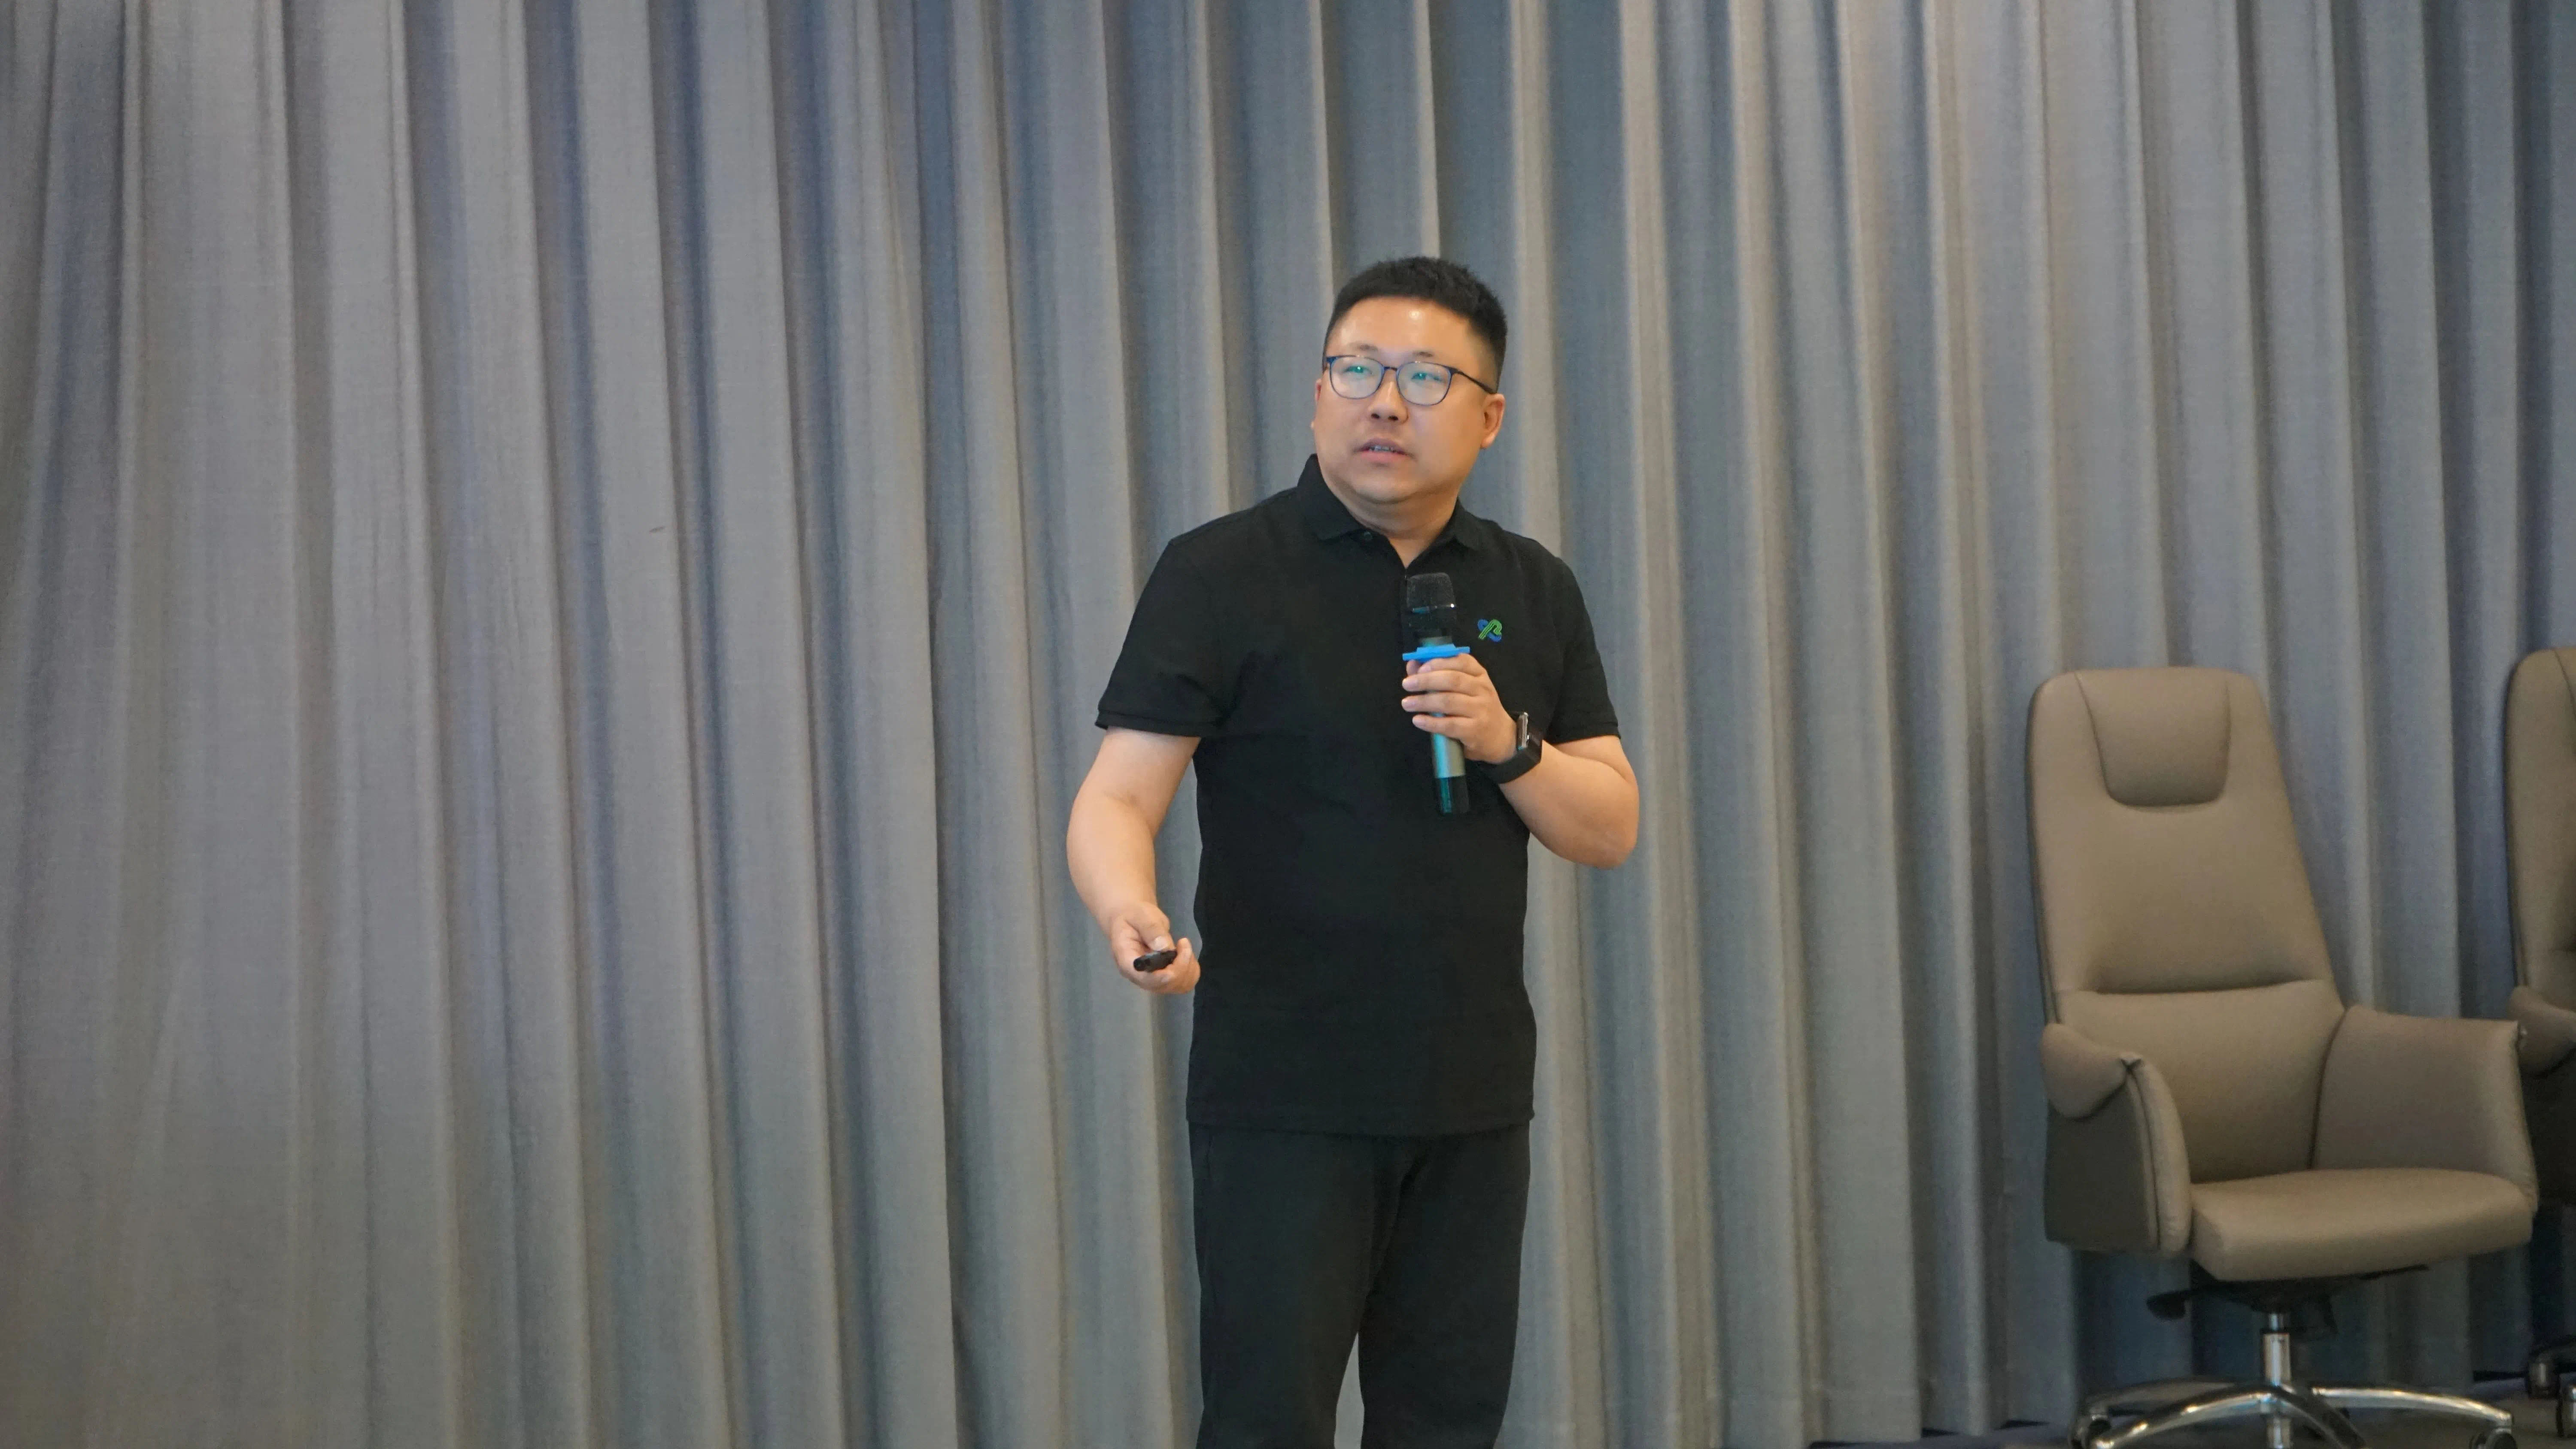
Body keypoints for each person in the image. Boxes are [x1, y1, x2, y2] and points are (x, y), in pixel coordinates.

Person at [1066, 256, 1639, 1449]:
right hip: (1285, 1089)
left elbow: (1609, 826)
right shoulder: (1222, 571)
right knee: (1268, 1419)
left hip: (1471, 1086)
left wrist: (1506, 743)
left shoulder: (1530, 586)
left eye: (1425, 378)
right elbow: (1118, 795)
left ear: (1488, 416)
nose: (1384, 402)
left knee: (1448, 1419)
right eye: (1356, 370)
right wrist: (1131, 910)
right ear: (1319, 395)